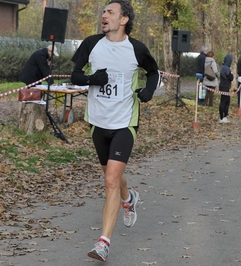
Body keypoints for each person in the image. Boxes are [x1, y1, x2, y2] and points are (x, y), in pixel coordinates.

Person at [70, 0, 160, 262]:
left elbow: (153, 73)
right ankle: (129, 197)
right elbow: (74, 74)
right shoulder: (91, 43)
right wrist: (89, 79)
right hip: (98, 122)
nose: (104, 15)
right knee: (112, 175)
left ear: (124, 20)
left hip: (124, 123)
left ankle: (103, 243)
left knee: (110, 179)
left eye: (110, 12)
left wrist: (149, 91)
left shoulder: (136, 49)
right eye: (104, 12)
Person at [219, 54, 234, 123]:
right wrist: (231, 75)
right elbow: (230, 77)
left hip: (223, 85)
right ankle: (222, 117)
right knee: (224, 102)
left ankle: (224, 116)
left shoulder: (223, 67)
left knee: (226, 101)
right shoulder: (226, 68)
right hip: (225, 86)